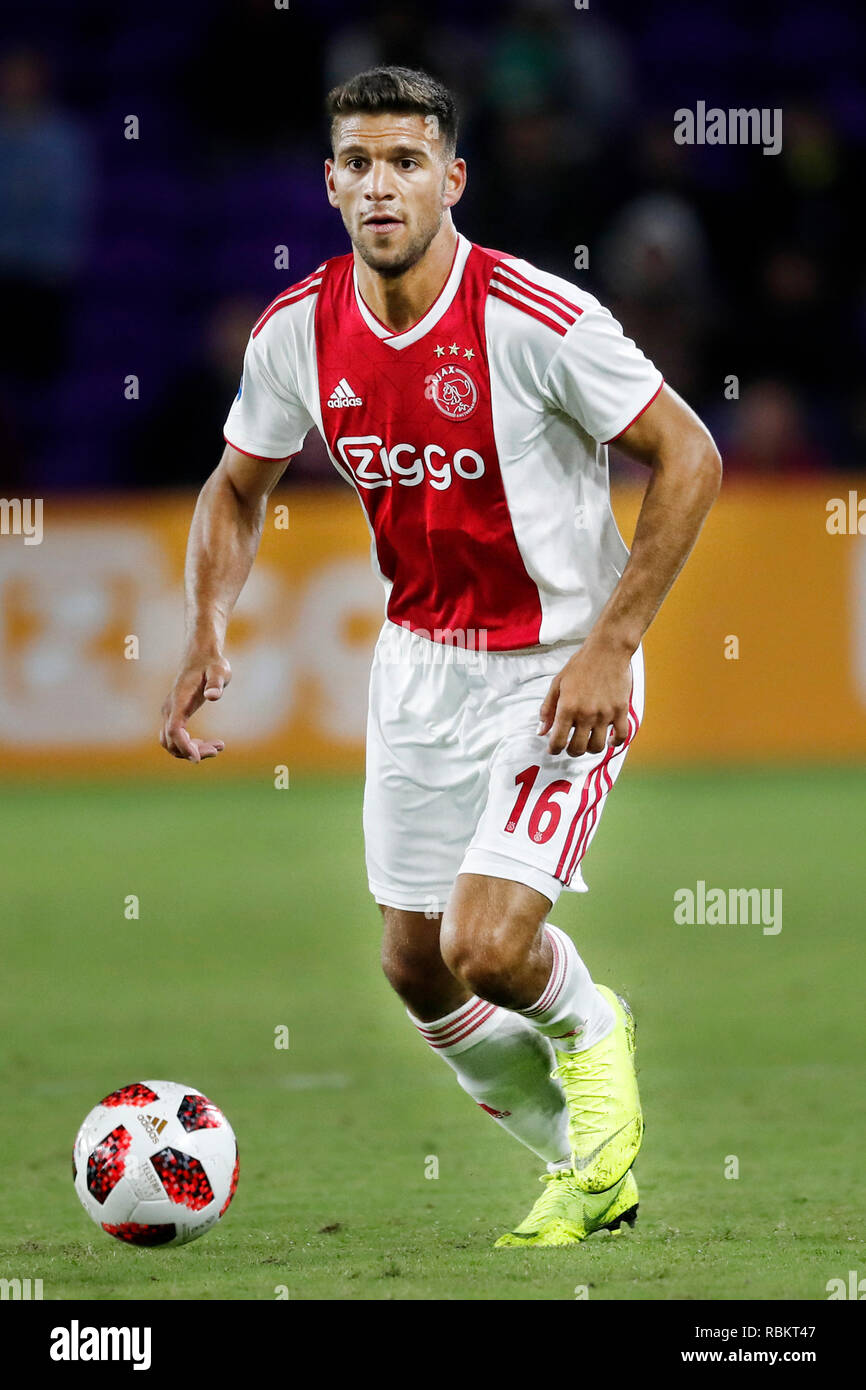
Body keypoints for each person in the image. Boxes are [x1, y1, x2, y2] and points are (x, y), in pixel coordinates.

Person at [159, 66, 722, 1247]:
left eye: (406, 161)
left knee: (486, 945)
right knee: (416, 963)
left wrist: (613, 643)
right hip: (419, 667)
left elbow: (690, 454)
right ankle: (586, 1165)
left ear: (450, 179)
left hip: (557, 664)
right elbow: (233, 486)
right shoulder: (296, 334)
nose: (380, 184)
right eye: (358, 162)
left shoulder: (534, 318)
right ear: (329, 183)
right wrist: (209, 621)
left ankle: (590, 1023)